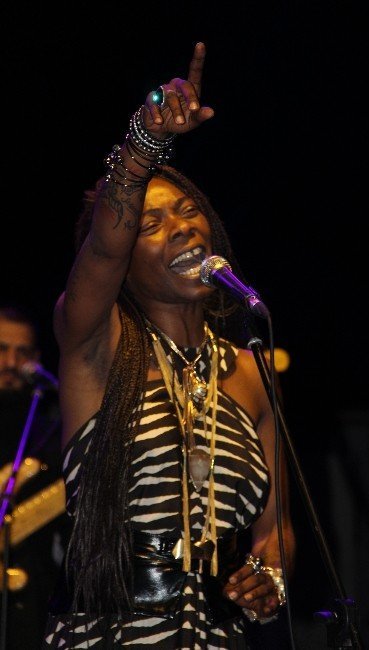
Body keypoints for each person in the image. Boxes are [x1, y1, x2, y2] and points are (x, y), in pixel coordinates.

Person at [43, 41, 296, 649]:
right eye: (151, 224)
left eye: (188, 212)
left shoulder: (251, 370)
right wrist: (144, 145)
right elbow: (104, 246)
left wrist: (268, 577)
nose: (182, 228)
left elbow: (277, 528)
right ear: (123, 266)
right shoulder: (96, 346)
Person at [0, 304, 66, 650]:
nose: (11, 362)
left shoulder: (53, 426)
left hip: (32, 605)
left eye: (22, 352)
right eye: (1, 350)